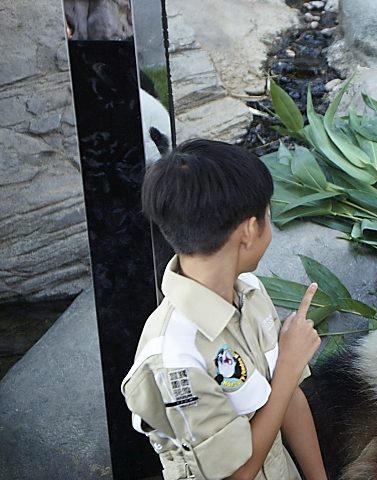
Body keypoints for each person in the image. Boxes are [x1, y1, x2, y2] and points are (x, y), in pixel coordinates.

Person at [120, 139, 327, 479]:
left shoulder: (250, 292)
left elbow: (288, 399)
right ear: (248, 230)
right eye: (268, 216)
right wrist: (290, 366)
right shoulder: (174, 354)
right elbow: (237, 474)